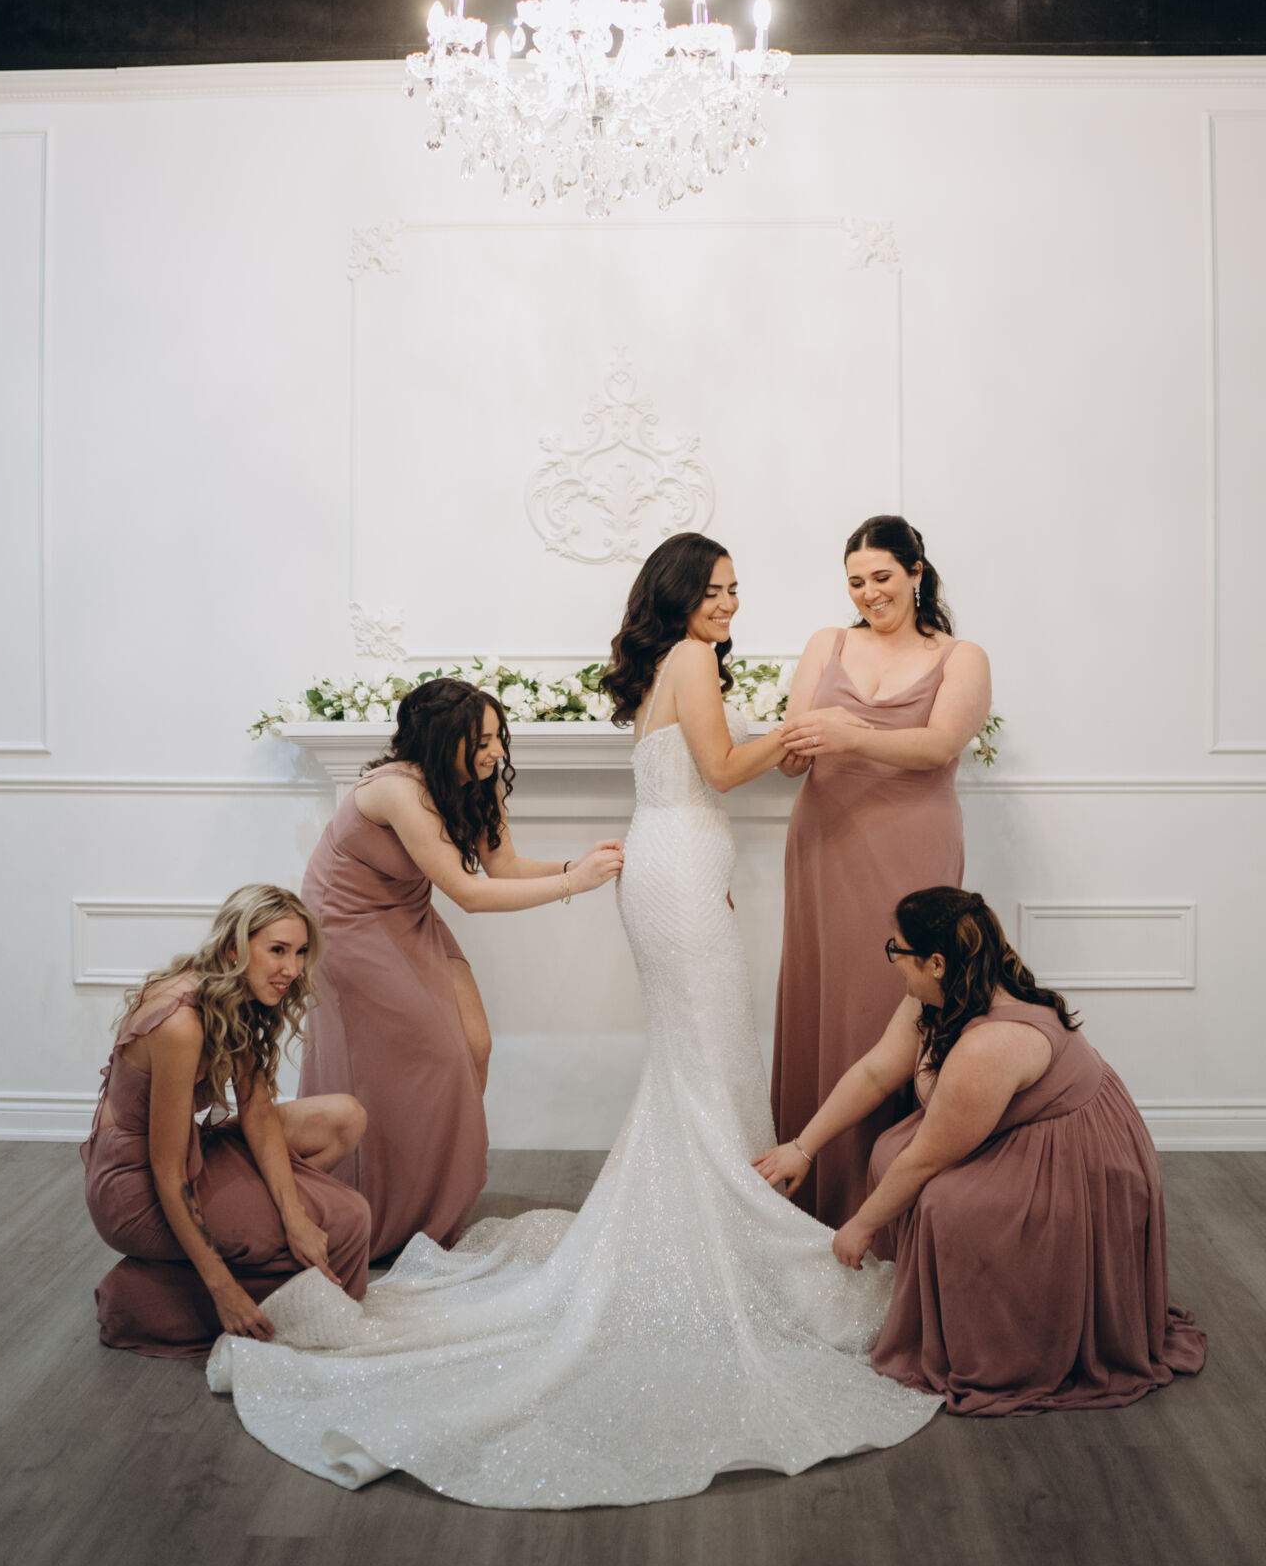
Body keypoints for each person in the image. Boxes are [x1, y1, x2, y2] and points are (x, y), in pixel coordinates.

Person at [207, 534, 941, 1506]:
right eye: (715, 590)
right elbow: (722, 769)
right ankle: (724, 1241)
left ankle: (717, 1225)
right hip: (675, 874)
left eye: (735, 590)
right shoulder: (690, 659)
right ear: (680, 595)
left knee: (702, 1060)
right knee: (707, 1058)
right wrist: (806, 732)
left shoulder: (670, 664)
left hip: (677, 872)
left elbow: (686, 786)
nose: (729, 605)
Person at [754, 887, 1207, 1415]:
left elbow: (927, 1159)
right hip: (1017, 1125)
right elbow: (877, 1072)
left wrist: (861, 1225)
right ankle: (943, 1311)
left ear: (937, 962)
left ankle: (1000, 1343)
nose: (893, 960)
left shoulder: (992, 1043)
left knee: (946, 1202)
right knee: (890, 1151)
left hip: (1076, 1157)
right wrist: (803, 1148)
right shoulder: (936, 994)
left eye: (898, 950)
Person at [297, 676, 624, 1259]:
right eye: (482, 742)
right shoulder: (397, 789)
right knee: (421, 1060)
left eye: (499, 738)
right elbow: (469, 895)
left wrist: (576, 865)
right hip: (345, 925)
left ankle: (435, 1202)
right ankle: (374, 1208)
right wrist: (575, 884)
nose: (497, 752)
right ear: (441, 740)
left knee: (474, 1046)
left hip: (407, 912)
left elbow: (504, 869)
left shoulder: (476, 783)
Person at [772, 513, 991, 1227]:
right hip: (825, 842)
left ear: (916, 573)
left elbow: (939, 745)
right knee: (828, 997)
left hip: (912, 842)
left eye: (882, 577)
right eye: (856, 582)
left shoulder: (961, 657)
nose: (869, 593)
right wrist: (794, 750)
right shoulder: (827, 644)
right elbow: (796, 744)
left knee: (893, 999)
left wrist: (850, 733)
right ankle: (809, 1190)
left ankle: (888, 1204)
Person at [82, 884, 371, 1358]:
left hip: (190, 1149)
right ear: (235, 948)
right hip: (135, 1187)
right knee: (345, 1219)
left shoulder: (230, 992)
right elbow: (168, 1172)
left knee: (345, 1122)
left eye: (300, 952)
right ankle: (142, 1296)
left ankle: (235, 1246)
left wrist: (294, 1215)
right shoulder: (181, 1024)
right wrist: (224, 1289)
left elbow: (257, 1111)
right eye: (277, 950)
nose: (292, 969)